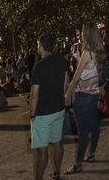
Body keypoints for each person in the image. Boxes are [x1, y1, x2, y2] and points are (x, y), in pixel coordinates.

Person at [64, 24, 105, 174]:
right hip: (94, 94)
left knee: (82, 132)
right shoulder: (99, 52)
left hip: (83, 96)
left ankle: (78, 164)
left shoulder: (87, 53)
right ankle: (92, 154)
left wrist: (68, 93)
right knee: (94, 127)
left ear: (86, 35)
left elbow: (77, 76)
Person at [30, 34, 68, 180]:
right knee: (57, 142)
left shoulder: (39, 67)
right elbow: (65, 82)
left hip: (43, 112)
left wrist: (32, 114)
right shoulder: (61, 60)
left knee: (41, 150)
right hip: (58, 107)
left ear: (41, 46)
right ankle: (57, 173)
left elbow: (35, 94)